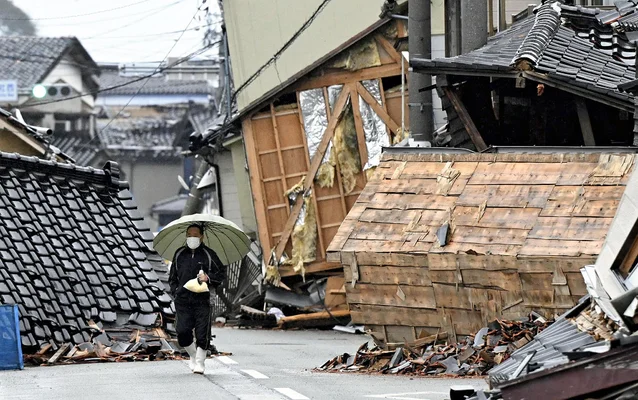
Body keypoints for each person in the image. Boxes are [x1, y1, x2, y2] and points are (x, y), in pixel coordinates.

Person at [168, 223, 226, 374]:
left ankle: (200, 362)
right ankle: (193, 355)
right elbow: (172, 277)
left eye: (195, 235)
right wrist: (176, 291)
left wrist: (208, 277)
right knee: (182, 331)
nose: (192, 238)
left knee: (202, 332)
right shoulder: (179, 254)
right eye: (189, 235)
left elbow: (221, 274)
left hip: (202, 300)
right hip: (183, 300)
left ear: (202, 236)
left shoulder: (209, 254)